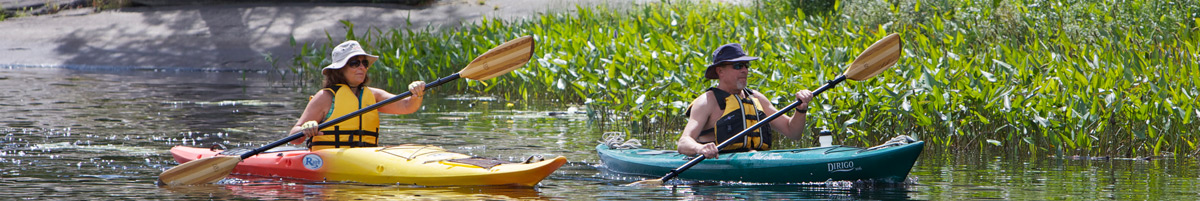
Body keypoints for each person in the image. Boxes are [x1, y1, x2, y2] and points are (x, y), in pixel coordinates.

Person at [677, 43, 815, 159]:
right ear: (720, 71)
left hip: (756, 160)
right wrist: (700, 148)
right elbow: (683, 142)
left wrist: (801, 109)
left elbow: (793, 132)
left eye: (746, 65)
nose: (744, 70)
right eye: (738, 66)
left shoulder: (757, 98)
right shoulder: (707, 101)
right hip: (720, 168)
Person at [288, 40, 426, 150]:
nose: (362, 67)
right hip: (330, 160)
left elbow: (407, 106)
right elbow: (294, 137)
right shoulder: (325, 97)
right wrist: (306, 128)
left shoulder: (374, 95)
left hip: (365, 159)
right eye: (354, 63)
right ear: (339, 69)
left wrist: (417, 93)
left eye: (364, 63)